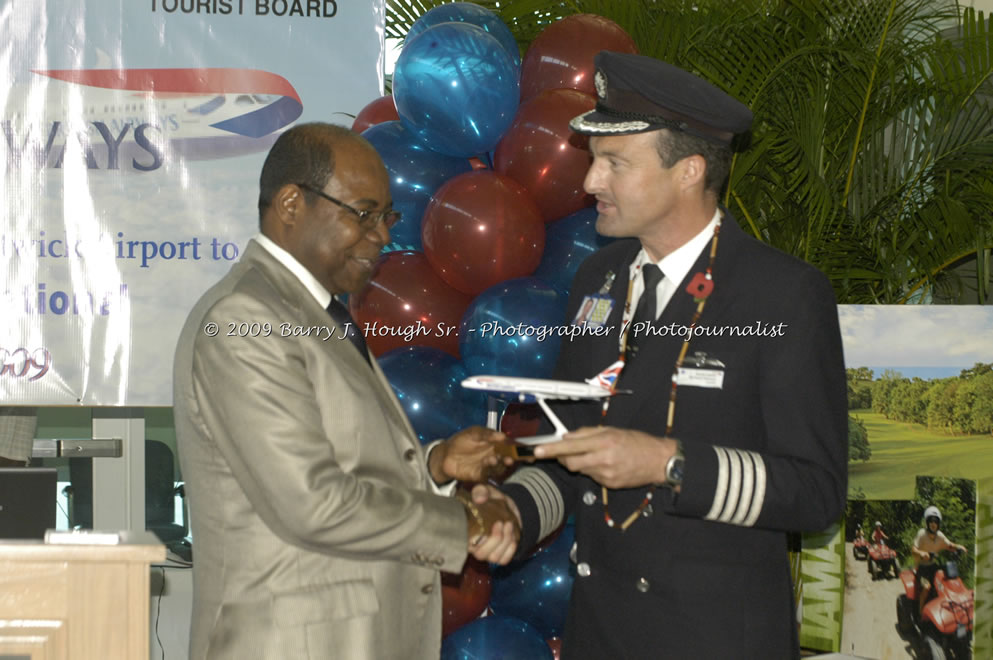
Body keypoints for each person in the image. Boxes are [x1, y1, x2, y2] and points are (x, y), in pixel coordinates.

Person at [474, 51, 848, 658]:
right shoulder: (597, 280)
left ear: (689, 171)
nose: (591, 181)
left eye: (614, 163)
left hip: (713, 639)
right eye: (594, 162)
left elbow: (816, 490)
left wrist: (670, 463)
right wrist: (514, 510)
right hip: (600, 631)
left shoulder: (780, 293)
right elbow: (571, 447)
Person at [173, 122, 519, 660]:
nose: (381, 235)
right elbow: (311, 504)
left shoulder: (310, 310)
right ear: (291, 204)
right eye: (363, 214)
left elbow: (344, 462)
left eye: (387, 217)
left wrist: (436, 466)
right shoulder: (246, 318)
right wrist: (465, 523)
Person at [911, 505, 968, 616]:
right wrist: (921, 553)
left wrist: (959, 547)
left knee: (947, 580)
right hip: (921, 568)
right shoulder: (922, 534)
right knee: (927, 587)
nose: (933, 524)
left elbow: (949, 545)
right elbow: (913, 550)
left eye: (936, 521)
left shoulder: (940, 536)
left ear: (938, 524)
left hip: (933, 566)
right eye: (931, 521)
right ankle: (920, 614)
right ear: (927, 522)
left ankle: (950, 608)